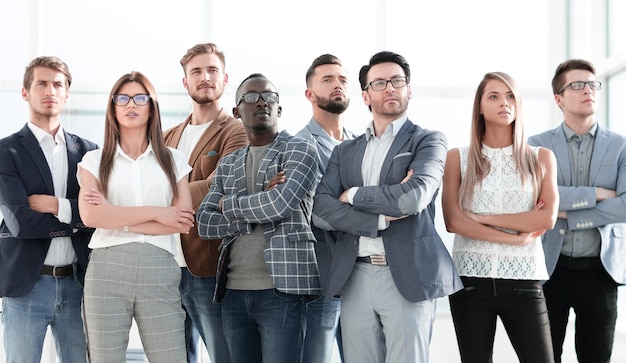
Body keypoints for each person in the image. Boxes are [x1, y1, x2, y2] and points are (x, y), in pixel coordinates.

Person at [312, 50, 462, 363]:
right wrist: (379, 218)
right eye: (380, 83)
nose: (390, 88)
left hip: (407, 274)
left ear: (409, 89)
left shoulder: (429, 141)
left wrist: (353, 195)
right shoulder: (345, 151)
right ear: (366, 95)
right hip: (356, 275)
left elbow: (412, 199)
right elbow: (321, 209)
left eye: (397, 81)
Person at [196, 73, 321, 363]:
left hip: (283, 291)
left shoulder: (300, 149)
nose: (261, 101)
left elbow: (278, 205)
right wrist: (257, 203)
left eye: (269, 97)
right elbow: (204, 222)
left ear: (279, 108)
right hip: (233, 293)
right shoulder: (227, 164)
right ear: (237, 111)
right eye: (251, 97)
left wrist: (228, 203)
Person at [441, 72, 559, 363]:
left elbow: (545, 219)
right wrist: (516, 239)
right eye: (493, 96)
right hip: (470, 282)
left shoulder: (541, 158)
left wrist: (480, 218)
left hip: (524, 280)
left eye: (510, 96)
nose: (503, 102)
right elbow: (454, 221)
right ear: (479, 106)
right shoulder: (458, 157)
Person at [77, 71, 194, 363]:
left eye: (141, 98)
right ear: (113, 106)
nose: (132, 104)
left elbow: (182, 221)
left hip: (160, 268)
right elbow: (91, 215)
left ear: (151, 106)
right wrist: (158, 212)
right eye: (123, 98)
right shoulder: (94, 160)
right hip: (106, 270)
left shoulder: (174, 161)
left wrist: (115, 217)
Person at [528, 59, 626, 363]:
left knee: (597, 357)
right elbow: (535, 201)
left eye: (593, 84)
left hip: (601, 271)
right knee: (543, 356)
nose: (589, 90)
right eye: (578, 85)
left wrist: (563, 210)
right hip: (549, 269)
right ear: (559, 98)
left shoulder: (621, 146)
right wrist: (595, 195)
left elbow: (623, 207)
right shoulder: (537, 145)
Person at [0, 56, 97, 363]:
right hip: (27, 287)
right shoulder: (6, 151)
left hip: (78, 286)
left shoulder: (89, 151)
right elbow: (22, 223)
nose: (50, 91)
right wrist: (75, 217)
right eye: (42, 83)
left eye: (58, 84)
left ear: (67, 93)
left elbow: (98, 219)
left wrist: (58, 207)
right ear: (26, 92)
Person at [163, 42, 248, 363]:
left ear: (225, 79)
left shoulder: (236, 131)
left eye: (212, 70)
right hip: (166, 266)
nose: (205, 77)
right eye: (196, 71)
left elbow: (222, 187)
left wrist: (163, 196)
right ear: (185, 82)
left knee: (223, 355)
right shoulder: (167, 137)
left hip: (208, 268)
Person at [294, 53, 355, 363]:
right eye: (327, 79)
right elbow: (319, 211)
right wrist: (371, 203)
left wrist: (348, 197)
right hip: (323, 280)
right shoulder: (300, 145)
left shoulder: (362, 143)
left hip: (362, 279)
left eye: (342, 79)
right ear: (309, 93)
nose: (337, 85)